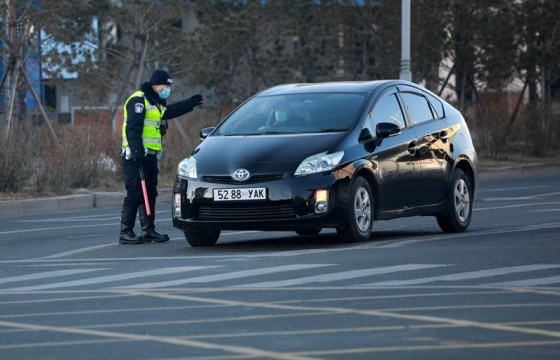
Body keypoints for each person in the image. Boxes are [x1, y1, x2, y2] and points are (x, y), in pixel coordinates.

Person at [119, 69, 203, 245]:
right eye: (166, 85)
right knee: (135, 192)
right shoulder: (139, 100)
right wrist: (136, 151)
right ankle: (125, 232)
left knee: (150, 193)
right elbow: (132, 128)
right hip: (136, 155)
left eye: (170, 85)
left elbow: (169, 112)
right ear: (155, 85)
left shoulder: (155, 102)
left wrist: (190, 103)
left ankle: (148, 230)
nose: (168, 88)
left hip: (150, 155)